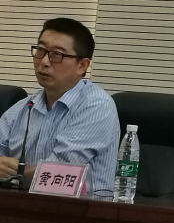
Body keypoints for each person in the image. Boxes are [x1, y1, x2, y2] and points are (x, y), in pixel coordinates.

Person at [0, 17, 120, 197]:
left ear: (82, 65)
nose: (44, 61)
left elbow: (60, 170)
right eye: (41, 50)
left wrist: (16, 171)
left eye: (57, 54)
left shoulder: (97, 105)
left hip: (82, 212)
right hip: (22, 209)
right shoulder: (23, 108)